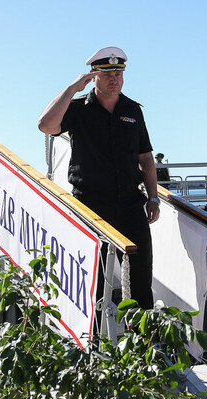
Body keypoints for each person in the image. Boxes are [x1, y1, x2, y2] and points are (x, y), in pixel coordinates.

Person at [38, 47, 159, 309]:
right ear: (94, 76)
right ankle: (92, 343)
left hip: (130, 204)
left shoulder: (133, 110)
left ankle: (143, 342)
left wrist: (153, 197)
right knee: (94, 279)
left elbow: (146, 158)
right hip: (91, 206)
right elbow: (46, 126)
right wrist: (72, 89)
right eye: (107, 74)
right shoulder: (78, 108)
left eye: (119, 73)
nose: (114, 78)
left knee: (141, 278)